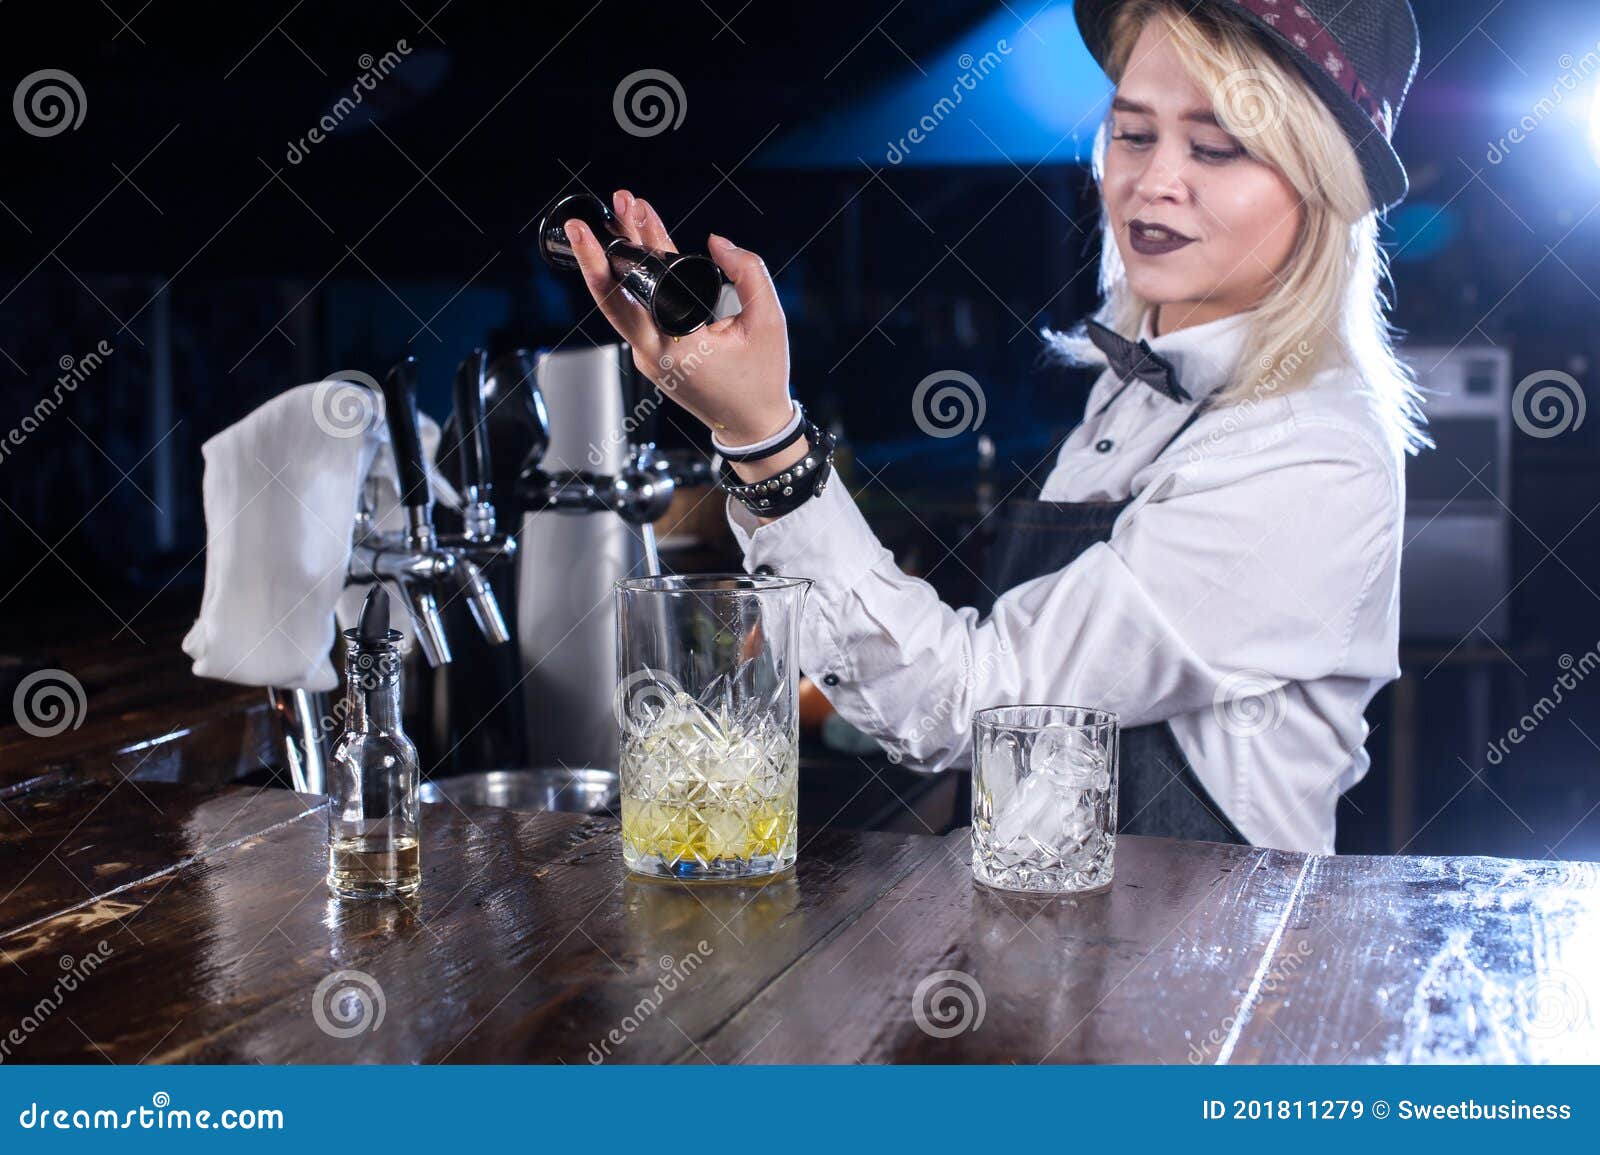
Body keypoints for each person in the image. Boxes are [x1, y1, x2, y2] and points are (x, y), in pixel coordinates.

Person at [563, 0, 1427, 855]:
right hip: (1063, 939)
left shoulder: (1306, 455)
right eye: (1132, 133)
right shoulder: (1144, 386)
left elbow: (980, 706)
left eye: (1215, 147)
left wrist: (765, 437)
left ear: (1321, 188)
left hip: (1201, 971)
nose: (1154, 179)